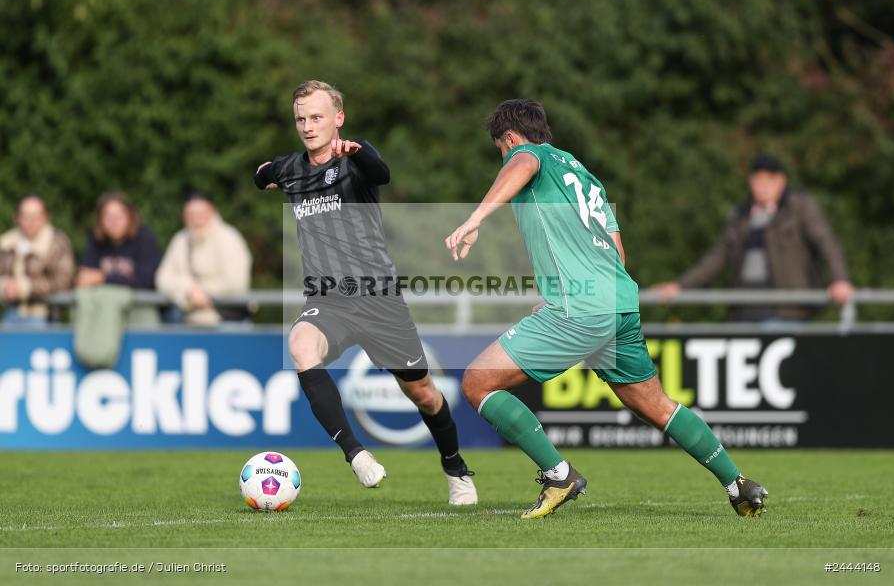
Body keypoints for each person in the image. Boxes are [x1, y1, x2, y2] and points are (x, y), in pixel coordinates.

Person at [446, 99, 767, 519]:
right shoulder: (586, 176)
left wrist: (475, 219)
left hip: (581, 307)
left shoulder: (529, 155)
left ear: (508, 138)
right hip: (618, 303)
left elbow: (522, 161)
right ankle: (737, 483)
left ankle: (558, 474)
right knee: (654, 405)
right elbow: (617, 250)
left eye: (500, 151)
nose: (504, 160)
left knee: (477, 383)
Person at [254, 80, 477, 505]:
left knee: (424, 394)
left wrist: (359, 152)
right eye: (300, 118)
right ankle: (355, 454)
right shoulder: (292, 168)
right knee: (301, 347)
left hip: (378, 299)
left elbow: (382, 172)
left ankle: (455, 467)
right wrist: (267, 176)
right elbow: (263, 173)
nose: (307, 125)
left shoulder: (356, 160)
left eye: (316, 117)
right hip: (328, 300)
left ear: (338, 118)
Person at [652, 154, 853, 321]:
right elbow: (718, 258)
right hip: (744, 310)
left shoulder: (799, 208)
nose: (764, 186)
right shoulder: (741, 215)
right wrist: (681, 286)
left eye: (770, 179)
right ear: (751, 182)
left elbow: (826, 242)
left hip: (786, 311)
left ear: (782, 181)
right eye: (759, 180)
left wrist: (840, 279)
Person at [156, 192, 252, 326]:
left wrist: (202, 291)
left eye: (201, 214)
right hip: (188, 321)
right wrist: (189, 290)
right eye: (191, 215)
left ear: (213, 212)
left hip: (227, 321)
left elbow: (236, 282)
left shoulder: (229, 238)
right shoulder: (180, 240)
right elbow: (162, 278)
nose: (196, 219)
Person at [0, 194, 76, 325]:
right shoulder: (6, 242)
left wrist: (25, 287)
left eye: (36, 216)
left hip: (44, 316)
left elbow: (63, 280)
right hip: (10, 313)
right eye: (26, 216)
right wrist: (4, 286)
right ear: (17, 217)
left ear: (46, 217)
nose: (31, 221)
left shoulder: (57, 243)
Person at [76, 192, 160, 290]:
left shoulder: (145, 239)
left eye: (119, 216)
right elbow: (85, 277)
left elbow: (146, 282)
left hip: (137, 303)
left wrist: (103, 278)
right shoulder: (96, 240)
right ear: (100, 220)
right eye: (108, 217)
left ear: (130, 217)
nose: (114, 222)